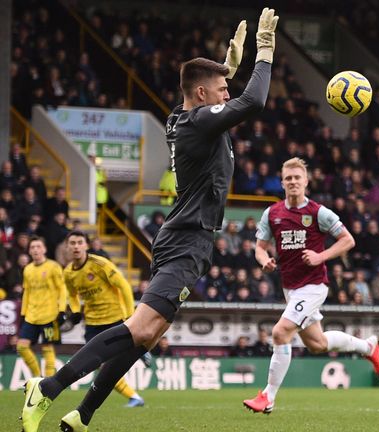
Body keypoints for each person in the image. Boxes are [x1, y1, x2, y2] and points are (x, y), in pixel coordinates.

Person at [22, 11, 277, 432]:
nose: (228, 94)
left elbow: (204, 92)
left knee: (147, 337)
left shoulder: (185, 117)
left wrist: (227, 68)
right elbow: (255, 101)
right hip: (186, 239)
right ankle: (47, 388)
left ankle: (81, 416)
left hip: (185, 238)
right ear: (203, 93)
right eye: (223, 89)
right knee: (140, 328)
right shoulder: (197, 122)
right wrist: (264, 52)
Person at [243, 157, 379, 414]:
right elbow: (259, 248)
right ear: (282, 183)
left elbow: (347, 240)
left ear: (306, 181)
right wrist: (264, 261)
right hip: (291, 287)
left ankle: (268, 397)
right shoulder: (272, 214)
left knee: (280, 332)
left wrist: (321, 256)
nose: (293, 182)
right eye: (288, 178)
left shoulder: (318, 212)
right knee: (317, 344)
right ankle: (368, 346)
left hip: (314, 285)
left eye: (298, 177)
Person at [61, 231, 147, 424]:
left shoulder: (100, 264)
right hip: (92, 323)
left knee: (112, 364)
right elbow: (72, 295)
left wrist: (128, 315)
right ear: (67, 247)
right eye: (72, 243)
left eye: (79, 242)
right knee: (100, 366)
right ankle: (134, 396)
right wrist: (75, 310)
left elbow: (123, 285)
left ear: (86, 245)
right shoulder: (68, 273)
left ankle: (140, 352)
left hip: (114, 318)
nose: (75, 246)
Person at [17, 236, 66, 379]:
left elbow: (62, 289)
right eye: (32, 247)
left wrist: (62, 310)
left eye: (38, 246)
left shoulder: (53, 267)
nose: (35, 249)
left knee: (47, 348)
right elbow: (27, 292)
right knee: (21, 346)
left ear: (44, 249)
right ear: (29, 251)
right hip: (31, 316)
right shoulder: (27, 269)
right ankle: (37, 377)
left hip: (49, 316)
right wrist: (23, 313)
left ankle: (48, 383)